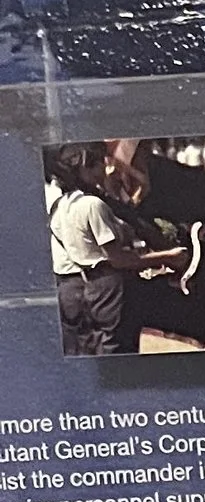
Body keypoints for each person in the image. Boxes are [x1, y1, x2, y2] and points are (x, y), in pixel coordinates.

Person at [45, 144, 147, 351]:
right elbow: (116, 257)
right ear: (85, 169)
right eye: (100, 163)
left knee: (83, 350)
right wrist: (166, 258)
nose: (105, 168)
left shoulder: (60, 202)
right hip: (99, 283)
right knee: (114, 349)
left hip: (74, 286)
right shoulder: (91, 204)